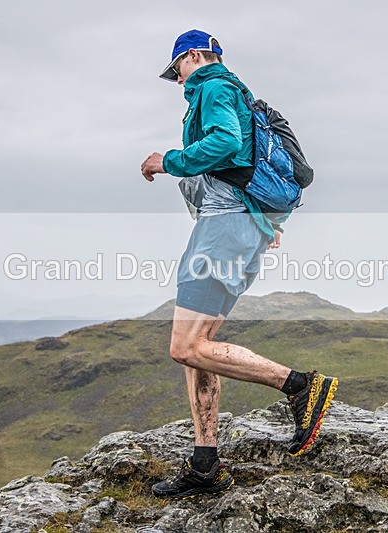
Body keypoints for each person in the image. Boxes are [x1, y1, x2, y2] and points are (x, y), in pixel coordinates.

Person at [140, 29, 338, 500]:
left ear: (191, 57)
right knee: (199, 343)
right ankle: (206, 463)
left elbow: (226, 144)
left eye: (178, 69)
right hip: (239, 224)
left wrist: (167, 160)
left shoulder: (214, 87)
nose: (178, 80)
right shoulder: (237, 93)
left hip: (225, 228)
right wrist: (261, 224)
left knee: (184, 346)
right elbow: (245, 162)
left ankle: (298, 386)